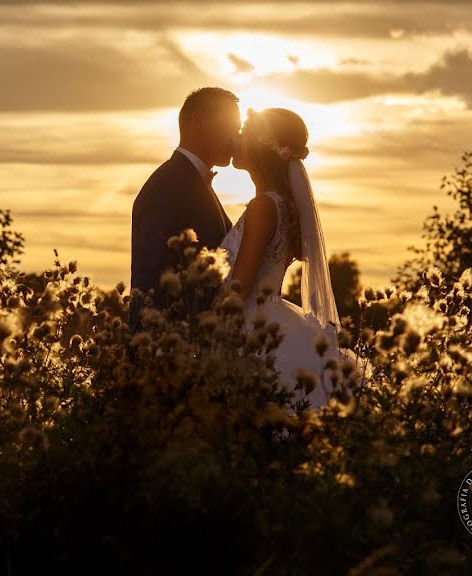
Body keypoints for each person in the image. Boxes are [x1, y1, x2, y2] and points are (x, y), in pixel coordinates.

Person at [220, 107, 363, 413]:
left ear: (261, 145)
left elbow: (239, 289)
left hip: (251, 328)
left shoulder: (263, 207)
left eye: (244, 131)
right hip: (273, 320)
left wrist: (204, 329)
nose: (236, 137)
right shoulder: (282, 206)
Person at [129, 87, 241, 333]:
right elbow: (155, 277)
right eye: (231, 126)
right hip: (165, 348)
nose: (236, 137)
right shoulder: (168, 185)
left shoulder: (191, 183)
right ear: (198, 121)